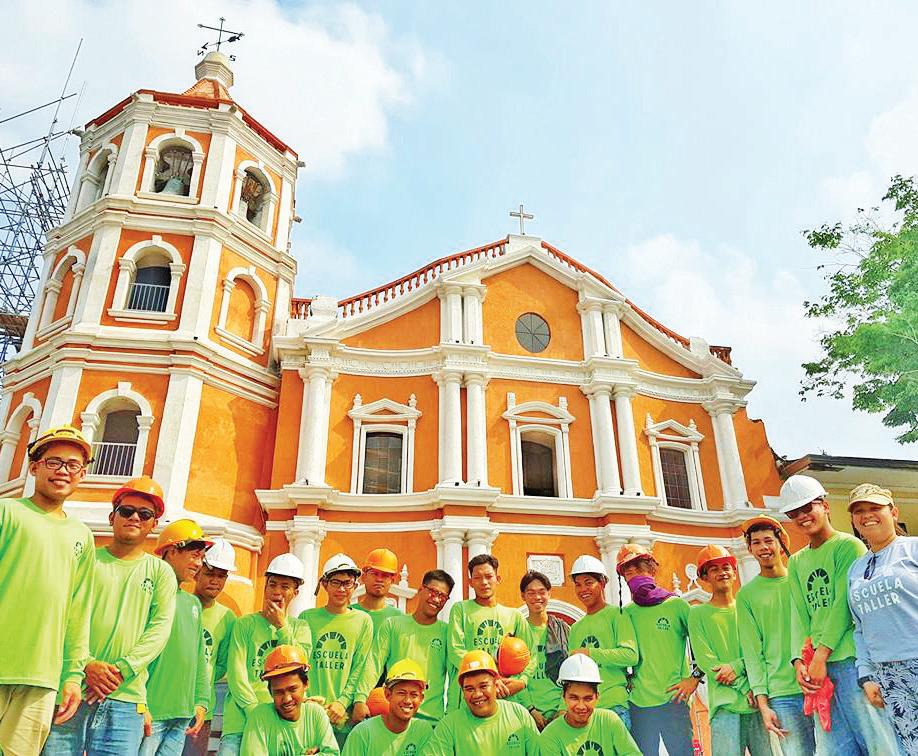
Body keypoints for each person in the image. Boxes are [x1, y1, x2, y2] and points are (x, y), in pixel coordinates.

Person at [43, 477, 176, 756]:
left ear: (154, 524)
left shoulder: (161, 572)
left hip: (126, 700)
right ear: (112, 517)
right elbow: (63, 616)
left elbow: (159, 629)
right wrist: (86, 665)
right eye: (127, 511)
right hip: (72, 689)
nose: (135, 518)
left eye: (145, 514)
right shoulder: (85, 561)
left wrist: (121, 670)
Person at [781, 474, 898, 754]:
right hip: (818, 670)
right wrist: (798, 661)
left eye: (807, 507)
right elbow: (798, 614)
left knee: (877, 741)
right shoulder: (796, 561)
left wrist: (820, 656)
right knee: (835, 748)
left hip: (850, 660)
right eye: (794, 513)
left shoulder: (849, 546)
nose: (802, 516)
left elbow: (843, 606)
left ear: (825, 506)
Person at [0, 425, 95, 754]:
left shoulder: (82, 536)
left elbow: (78, 612)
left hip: (41, 678)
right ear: (34, 467)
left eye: (73, 465)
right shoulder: (6, 512)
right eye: (53, 462)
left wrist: (72, 676)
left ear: (82, 474)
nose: (63, 471)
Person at [847, 483, 918, 754]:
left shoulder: (912, 549)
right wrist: (866, 674)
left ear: (894, 512)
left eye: (875, 507)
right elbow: (860, 627)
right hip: (888, 674)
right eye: (859, 511)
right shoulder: (856, 569)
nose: (867, 515)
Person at [736, 516, 816, 756]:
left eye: (769, 541)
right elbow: (752, 652)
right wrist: (763, 704)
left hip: (818, 683)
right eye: (756, 543)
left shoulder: (800, 579)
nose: (763, 547)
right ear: (750, 549)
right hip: (781, 694)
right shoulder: (746, 596)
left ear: (781, 544)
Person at [219, 553, 312, 755]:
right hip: (240, 721)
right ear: (265, 587)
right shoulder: (245, 624)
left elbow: (300, 666)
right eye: (272, 584)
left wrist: (281, 626)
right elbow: (236, 674)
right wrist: (254, 711)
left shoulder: (301, 628)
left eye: (285, 586)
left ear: (295, 592)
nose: (277, 592)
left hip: (281, 722)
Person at [687, 544, 770, 755]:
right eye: (714, 569)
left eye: (726, 567)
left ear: (734, 572)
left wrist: (744, 676)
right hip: (725, 706)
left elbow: (761, 649)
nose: (722, 572)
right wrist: (744, 687)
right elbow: (706, 661)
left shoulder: (748, 607)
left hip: (758, 701)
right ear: (704, 577)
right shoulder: (697, 614)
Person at [140, 519, 212, 755]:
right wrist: (140, 703)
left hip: (182, 714)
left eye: (201, 557)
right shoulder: (148, 594)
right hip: (151, 711)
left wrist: (201, 701)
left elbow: (198, 657)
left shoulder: (193, 603)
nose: (198, 563)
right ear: (171, 551)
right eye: (194, 555)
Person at [618, 543, 698, 756]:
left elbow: (702, 642)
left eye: (640, 569)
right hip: (639, 703)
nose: (635, 576)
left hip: (674, 700)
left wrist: (694, 678)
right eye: (629, 573)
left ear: (652, 570)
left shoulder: (676, 605)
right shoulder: (627, 613)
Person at [355, 569, 453, 725]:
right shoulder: (393, 625)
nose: (436, 599)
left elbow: (454, 677)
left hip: (432, 721)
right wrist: (360, 699)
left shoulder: (447, 633)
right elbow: (374, 664)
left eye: (442, 596)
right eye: (432, 592)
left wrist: (451, 715)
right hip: (393, 718)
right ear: (421, 590)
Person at [299, 553, 373, 748]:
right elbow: (300, 665)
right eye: (335, 582)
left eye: (347, 583)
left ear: (355, 585)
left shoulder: (363, 621)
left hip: (343, 718)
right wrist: (307, 702)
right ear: (325, 584)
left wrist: (342, 702)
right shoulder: (307, 618)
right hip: (310, 715)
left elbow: (359, 667)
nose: (341, 589)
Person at [447, 554, 536, 710]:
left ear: (498, 579)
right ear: (470, 582)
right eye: (477, 578)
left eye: (489, 576)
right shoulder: (460, 610)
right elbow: (456, 651)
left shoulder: (514, 616)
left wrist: (522, 681)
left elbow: (530, 654)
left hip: (505, 698)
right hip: (467, 700)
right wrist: (491, 677)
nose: (484, 582)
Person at [566, 554, 638, 728]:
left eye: (588, 582)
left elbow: (630, 655)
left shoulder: (617, 615)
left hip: (615, 707)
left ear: (603, 582)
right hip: (585, 711)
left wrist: (591, 654)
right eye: (578, 584)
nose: (583, 589)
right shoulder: (575, 628)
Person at [183, 539, 238, 756]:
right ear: (197, 572)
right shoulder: (179, 604)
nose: (215, 581)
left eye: (221, 576)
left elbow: (222, 664)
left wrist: (201, 684)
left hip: (201, 710)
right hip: (167, 703)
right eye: (209, 573)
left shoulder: (227, 618)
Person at [426, 650, 538, 754]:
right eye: (469, 689)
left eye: (483, 686)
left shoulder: (519, 715)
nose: (477, 694)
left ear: (496, 684)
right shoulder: (449, 726)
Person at [240, 645, 338, 755]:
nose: (287, 699)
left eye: (292, 689)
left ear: (306, 684)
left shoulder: (316, 714)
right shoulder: (260, 717)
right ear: (270, 692)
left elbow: (332, 753)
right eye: (279, 692)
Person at [538, 654, 641, 755]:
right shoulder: (550, 736)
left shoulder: (610, 720)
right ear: (564, 697)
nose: (581, 706)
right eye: (574, 698)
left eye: (588, 699)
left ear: (597, 697)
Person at [349, 548, 403, 725]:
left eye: (385, 575)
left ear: (392, 580)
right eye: (374, 573)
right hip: (347, 698)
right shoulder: (349, 614)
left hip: (383, 702)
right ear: (364, 576)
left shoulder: (399, 619)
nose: (380, 579)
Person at [343, 659, 434, 755]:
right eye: (401, 693)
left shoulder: (423, 731)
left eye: (414, 695)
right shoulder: (362, 733)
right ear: (387, 694)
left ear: (421, 698)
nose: (407, 700)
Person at [515, 570, 567, 731]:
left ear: (549, 594)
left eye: (542, 592)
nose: (537, 597)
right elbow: (514, 675)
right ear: (523, 596)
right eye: (531, 593)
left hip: (561, 713)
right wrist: (530, 709)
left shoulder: (564, 630)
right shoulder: (517, 632)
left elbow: (572, 671)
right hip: (525, 713)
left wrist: (563, 709)